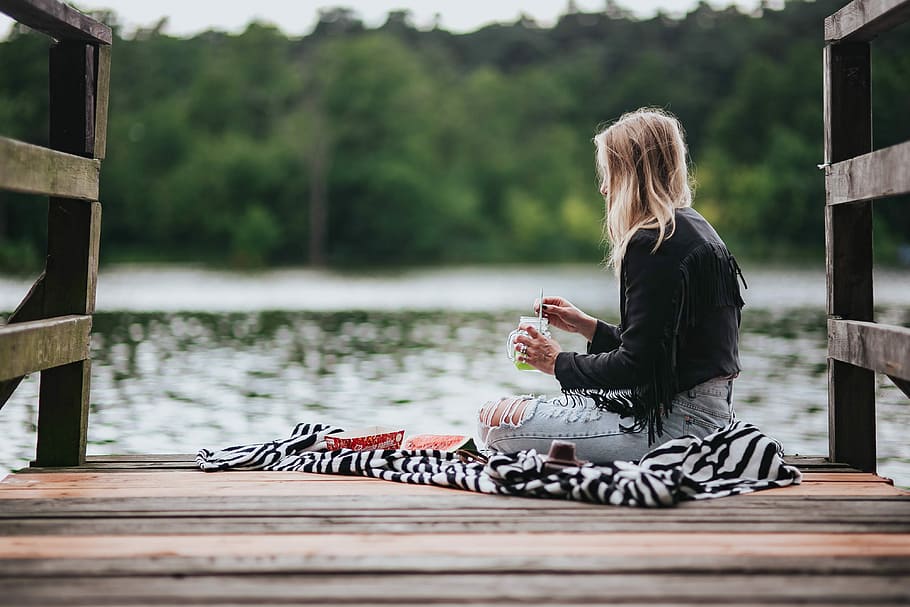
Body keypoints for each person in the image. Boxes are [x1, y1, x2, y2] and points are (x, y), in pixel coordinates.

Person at [478, 107, 746, 464]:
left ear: (631, 174)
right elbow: (660, 351)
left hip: (676, 429)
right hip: (709, 417)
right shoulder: (694, 229)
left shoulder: (652, 243)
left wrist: (556, 362)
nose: (603, 188)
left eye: (609, 174)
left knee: (494, 423)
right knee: (507, 414)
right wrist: (587, 326)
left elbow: (635, 367)